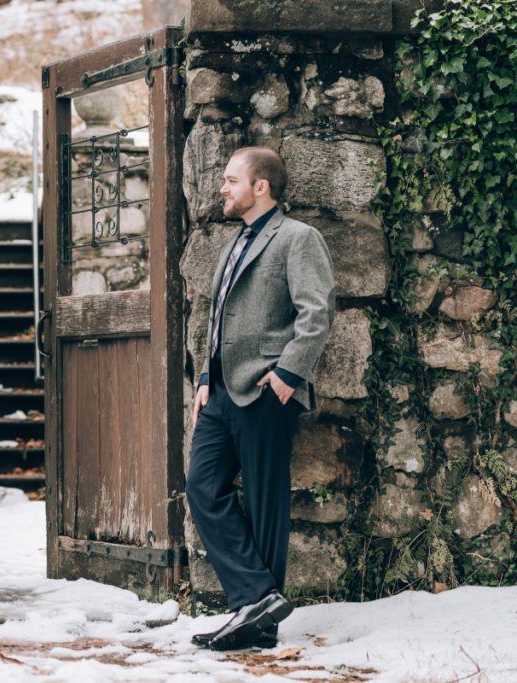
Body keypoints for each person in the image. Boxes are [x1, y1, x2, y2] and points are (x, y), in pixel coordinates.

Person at [185, 147, 335, 651]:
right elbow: (218, 317)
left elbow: (316, 312)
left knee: (265, 502)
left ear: (261, 186)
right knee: (202, 487)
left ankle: (259, 626)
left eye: (231, 180)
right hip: (222, 391)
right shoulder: (234, 243)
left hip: (269, 388)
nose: (223, 188)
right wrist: (206, 375)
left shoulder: (297, 238)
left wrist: (287, 374)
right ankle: (257, 597)